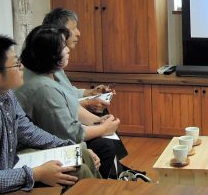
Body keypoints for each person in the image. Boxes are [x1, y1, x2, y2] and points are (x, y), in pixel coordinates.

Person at [0, 34, 101, 195]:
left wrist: (70, 147)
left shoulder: (4, 94)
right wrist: (37, 174)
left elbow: (27, 131)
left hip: (8, 165)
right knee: (76, 171)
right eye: (16, 64)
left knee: (79, 153)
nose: (22, 68)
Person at [16, 23, 130, 179]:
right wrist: (103, 128)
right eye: (63, 47)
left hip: (54, 140)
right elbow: (69, 133)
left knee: (104, 136)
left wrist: (99, 122)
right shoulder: (43, 87)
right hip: (40, 149)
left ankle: (119, 175)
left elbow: (69, 107)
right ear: (50, 53)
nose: (68, 49)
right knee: (105, 146)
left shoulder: (46, 76)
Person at [42, 7, 112, 113]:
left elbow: (66, 91)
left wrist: (90, 92)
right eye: (73, 28)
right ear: (58, 32)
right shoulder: (45, 64)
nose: (78, 33)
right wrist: (86, 103)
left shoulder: (56, 58)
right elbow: (57, 105)